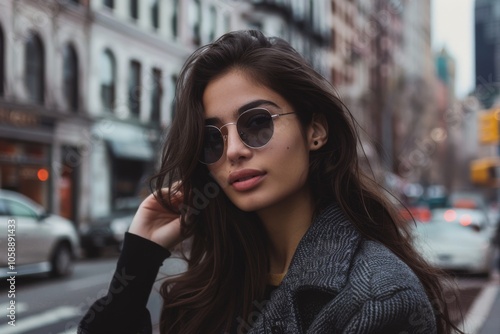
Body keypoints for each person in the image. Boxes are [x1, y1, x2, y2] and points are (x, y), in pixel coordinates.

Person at [78, 30, 463, 334]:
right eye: (213, 138)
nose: (233, 151)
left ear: (315, 130)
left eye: (257, 123)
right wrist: (139, 261)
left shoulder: (379, 298)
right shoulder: (207, 289)